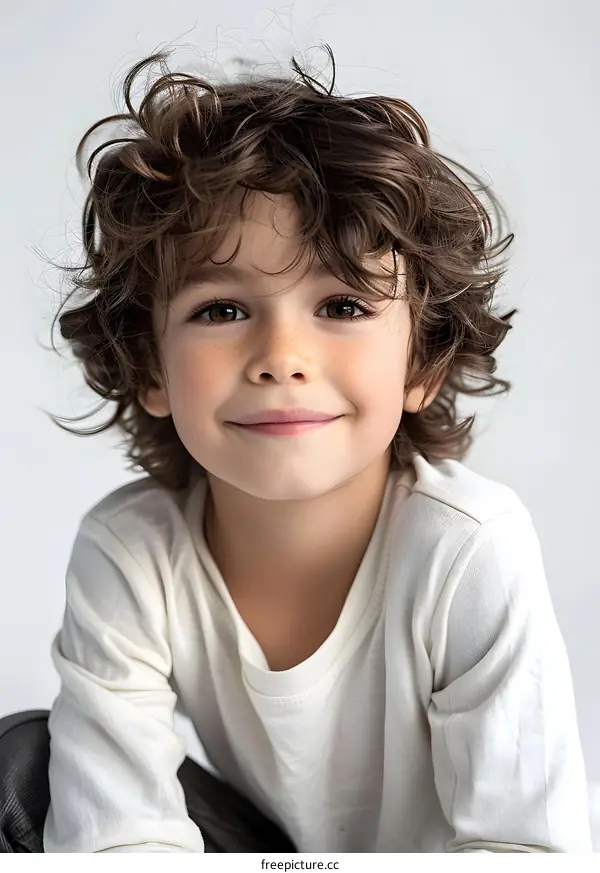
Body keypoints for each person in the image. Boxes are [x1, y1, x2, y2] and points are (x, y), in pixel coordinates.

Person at [28, 45, 592, 852]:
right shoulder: (132, 552)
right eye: (221, 311)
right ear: (150, 366)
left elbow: (528, 848)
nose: (282, 354)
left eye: (342, 303)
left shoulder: (468, 549)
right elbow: (115, 841)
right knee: (25, 758)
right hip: (268, 849)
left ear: (423, 361)